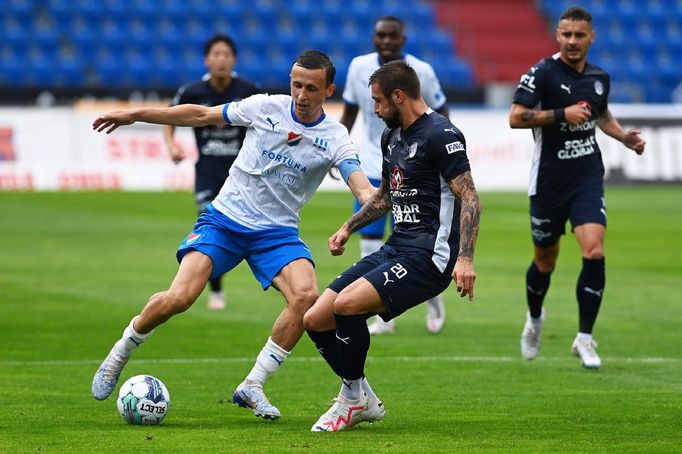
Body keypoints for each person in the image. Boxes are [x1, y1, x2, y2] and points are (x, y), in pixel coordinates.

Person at [90, 51, 375, 421]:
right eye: (296, 85)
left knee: (306, 296)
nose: (301, 95)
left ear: (329, 90)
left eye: (311, 88)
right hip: (225, 220)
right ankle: (121, 351)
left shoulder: (334, 137)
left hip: (276, 233)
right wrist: (134, 114)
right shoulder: (265, 107)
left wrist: (373, 200)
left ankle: (253, 385)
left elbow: (359, 182)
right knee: (180, 297)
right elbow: (199, 115)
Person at [303, 60, 481, 431]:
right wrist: (348, 228)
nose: (374, 109)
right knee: (316, 317)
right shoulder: (391, 137)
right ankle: (360, 394)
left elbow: (470, 197)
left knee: (347, 306)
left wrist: (464, 259)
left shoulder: (441, 135)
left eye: (379, 101)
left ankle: (350, 401)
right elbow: (386, 196)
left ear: (399, 96)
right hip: (397, 246)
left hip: (431, 257)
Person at [509, 6, 646, 369]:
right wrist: (559, 115)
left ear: (591, 38)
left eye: (579, 35)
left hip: (586, 178)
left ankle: (585, 338)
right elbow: (515, 117)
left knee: (595, 251)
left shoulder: (600, 77)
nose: (572, 41)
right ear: (558, 35)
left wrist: (624, 137)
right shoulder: (542, 73)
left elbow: (602, 115)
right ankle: (535, 317)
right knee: (545, 261)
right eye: (566, 34)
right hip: (549, 183)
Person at [340, 15, 451, 335]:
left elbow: (441, 112)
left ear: (403, 40)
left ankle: (431, 294)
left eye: (392, 36)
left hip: (416, 168)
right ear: (374, 39)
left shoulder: (422, 71)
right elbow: (349, 113)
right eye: (381, 36)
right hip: (374, 164)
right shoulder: (359, 68)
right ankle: (382, 317)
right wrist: (339, 155)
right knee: (371, 242)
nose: (386, 41)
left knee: (417, 245)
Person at [164, 34, 259, 310]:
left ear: (234, 59)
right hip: (207, 171)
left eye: (226, 54)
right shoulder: (192, 91)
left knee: (244, 227)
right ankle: (216, 289)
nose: (221, 59)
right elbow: (170, 119)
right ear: (207, 59)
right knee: (209, 226)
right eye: (216, 54)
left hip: (242, 174)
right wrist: (172, 146)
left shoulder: (249, 89)